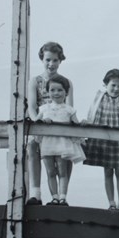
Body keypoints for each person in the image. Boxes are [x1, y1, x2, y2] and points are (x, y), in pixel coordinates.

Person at [27, 42, 74, 205]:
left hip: (60, 124)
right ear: (42, 59)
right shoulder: (35, 81)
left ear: (60, 61)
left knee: (66, 152)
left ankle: (62, 197)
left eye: (55, 60)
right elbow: (31, 108)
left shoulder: (66, 82)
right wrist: (38, 121)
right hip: (43, 124)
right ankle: (36, 193)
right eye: (48, 60)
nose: (51, 64)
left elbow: (69, 107)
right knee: (32, 147)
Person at [83, 69, 119, 211]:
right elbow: (92, 113)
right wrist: (87, 126)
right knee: (107, 171)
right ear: (106, 84)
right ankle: (111, 203)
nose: (116, 89)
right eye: (113, 85)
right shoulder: (100, 97)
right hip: (104, 139)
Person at [35, 74, 85, 205]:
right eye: (52, 90)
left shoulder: (69, 110)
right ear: (47, 92)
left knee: (62, 172)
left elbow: (76, 126)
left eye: (60, 90)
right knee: (50, 171)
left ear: (66, 92)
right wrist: (42, 120)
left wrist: (83, 123)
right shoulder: (43, 108)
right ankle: (55, 197)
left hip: (63, 144)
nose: (56, 93)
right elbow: (35, 123)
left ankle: (63, 197)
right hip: (48, 143)